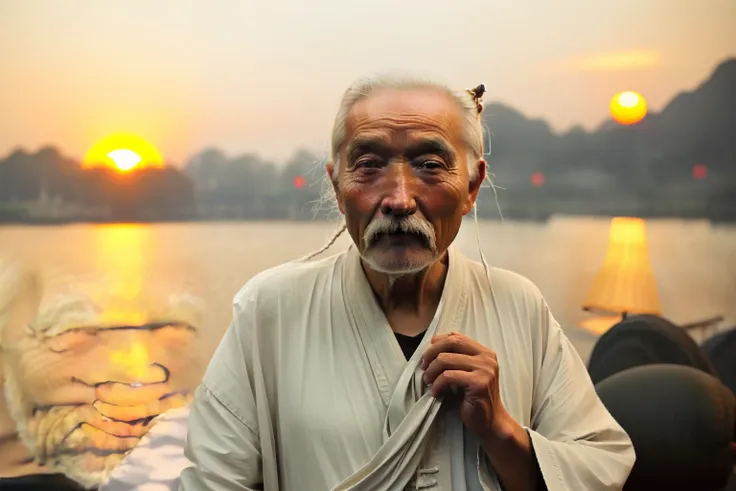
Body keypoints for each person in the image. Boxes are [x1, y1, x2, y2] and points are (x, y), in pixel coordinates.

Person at [179, 75, 636, 490]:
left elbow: (600, 465)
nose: (399, 199)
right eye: (370, 164)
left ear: (472, 187)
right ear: (337, 186)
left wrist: (501, 430)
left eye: (431, 165)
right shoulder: (270, 310)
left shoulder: (518, 306)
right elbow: (215, 482)